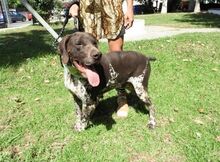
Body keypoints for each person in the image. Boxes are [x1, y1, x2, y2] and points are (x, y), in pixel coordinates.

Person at [68, 0, 134, 117]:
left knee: (117, 54)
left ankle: (121, 96)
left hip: (112, 4)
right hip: (87, 6)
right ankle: (94, 95)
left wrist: (129, 8)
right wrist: (72, 3)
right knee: (88, 55)